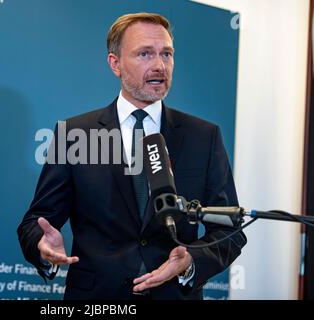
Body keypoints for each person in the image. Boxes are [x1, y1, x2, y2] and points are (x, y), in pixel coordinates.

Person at [17, 12, 247, 300]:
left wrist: (191, 261)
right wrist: (42, 244)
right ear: (115, 63)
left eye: (167, 54)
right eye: (145, 54)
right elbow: (35, 221)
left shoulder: (203, 136)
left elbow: (230, 230)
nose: (159, 65)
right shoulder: (76, 134)